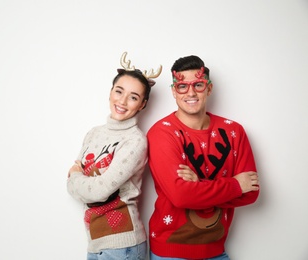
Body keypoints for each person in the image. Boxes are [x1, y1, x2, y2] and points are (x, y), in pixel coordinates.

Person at [147, 55, 260, 260]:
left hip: (217, 251)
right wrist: (234, 186)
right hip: (170, 252)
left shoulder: (234, 131)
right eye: (182, 86)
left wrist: (198, 185)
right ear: (174, 91)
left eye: (198, 85)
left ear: (209, 88)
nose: (191, 93)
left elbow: (251, 191)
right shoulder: (162, 133)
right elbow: (180, 196)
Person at [67, 52, 162, 260]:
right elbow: (71, 188)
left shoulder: (135, 141)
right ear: (110, 92)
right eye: (119, 91)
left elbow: (100, 190)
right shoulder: (94, 133)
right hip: (94, 241)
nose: (123, 101)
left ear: (143, 104)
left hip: (123, 247)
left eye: (134, 97)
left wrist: (76, 176)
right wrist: (78, 182)